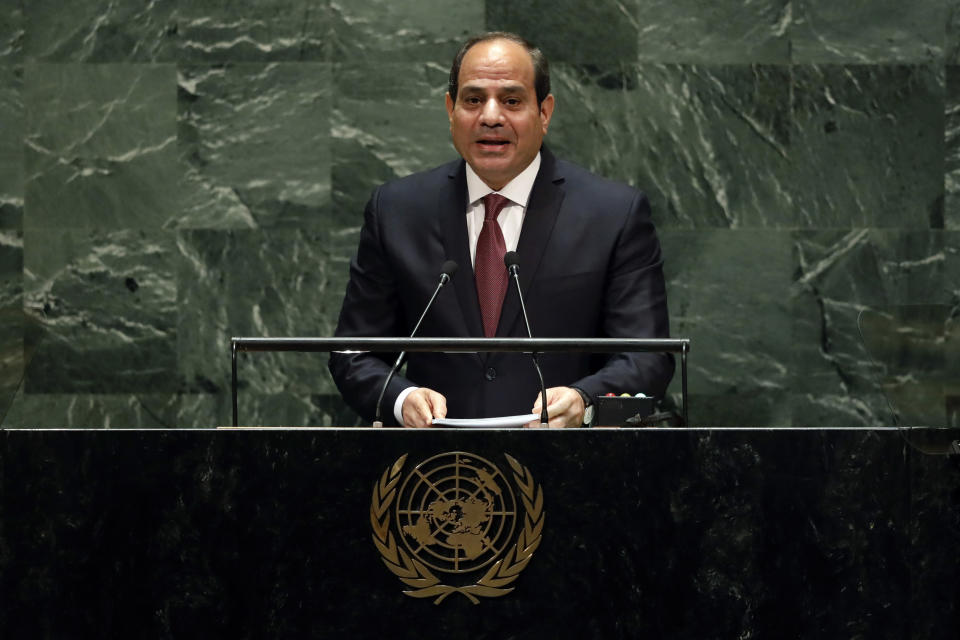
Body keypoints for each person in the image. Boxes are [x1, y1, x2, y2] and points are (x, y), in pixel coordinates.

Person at [329, 32, 673, 428]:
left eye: (511, 101)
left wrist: (585, 401)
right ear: (450, 109)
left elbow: (649, 357)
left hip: (569, 465)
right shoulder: (396, 210)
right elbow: (352, 353)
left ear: (544, 113)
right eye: (473, 100)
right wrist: (400, 398)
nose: (490, 116)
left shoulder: (613, 214)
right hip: (431, 471)